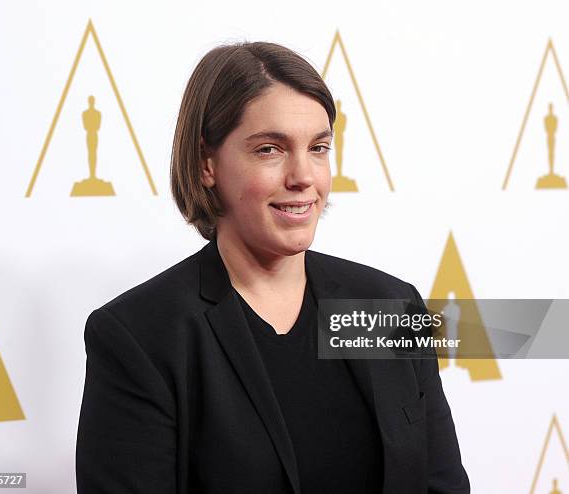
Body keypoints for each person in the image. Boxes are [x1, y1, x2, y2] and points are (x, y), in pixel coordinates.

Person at [75, 41, 470, 494]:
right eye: (270, 149)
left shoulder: (391, 307)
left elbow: (442, 485)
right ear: (207, 163)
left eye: (318, 148)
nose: (304, 176)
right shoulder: (141, 336)